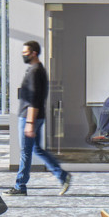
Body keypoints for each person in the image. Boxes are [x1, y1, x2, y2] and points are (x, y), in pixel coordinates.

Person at [6, 40, 71, 196]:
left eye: (25, 52)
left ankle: (20, 185)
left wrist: (29, 122)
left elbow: (34, 99)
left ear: (34, 53)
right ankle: (62, 175)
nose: (23, 55)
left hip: (29, 117)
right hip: (34, 116)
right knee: (35, 149)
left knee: (26, 152)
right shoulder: (36, 70)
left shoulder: (35, 72)